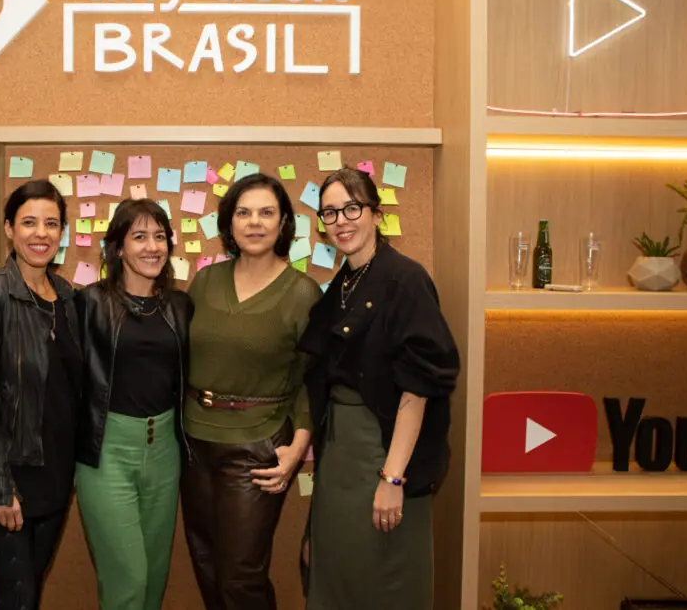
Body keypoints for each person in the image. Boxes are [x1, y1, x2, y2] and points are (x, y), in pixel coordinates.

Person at [299, 167, 460, 610]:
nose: (341, 221)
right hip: (340, 459)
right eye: (329, 212)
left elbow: (419, 388)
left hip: (386, 455)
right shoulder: (343, 283)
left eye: (352, 208)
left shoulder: (404, 279)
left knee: (387, 581)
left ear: (375, 213)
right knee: (337, 578)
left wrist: (392, 479)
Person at [181, 173, 321, 610]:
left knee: (241, 577)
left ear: (283, 224)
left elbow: (311, 381)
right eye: (243, 212)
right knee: (206, 563)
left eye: (266, 212)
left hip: (256, 446)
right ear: (229, 223)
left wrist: (297, 448)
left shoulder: (302, 293)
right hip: (192, 442)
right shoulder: (205, 282)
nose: (254, 222)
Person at [0, 179, 82, 610]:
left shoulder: (67, 297)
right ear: (9, 229)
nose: (41, 233)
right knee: (17, 601)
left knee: (26, 594)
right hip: (8, 480)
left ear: (62, 233)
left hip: (53, 477)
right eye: (29, 222)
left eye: (51, 223)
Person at [75, 199, 194, 610]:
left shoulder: (181, 306)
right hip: (108, 449)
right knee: (128, 576)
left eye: (160, 237)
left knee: (155, 574)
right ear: (118, 248)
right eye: (139, 236)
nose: (152, 247)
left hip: (164, 450)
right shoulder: (89, 303)